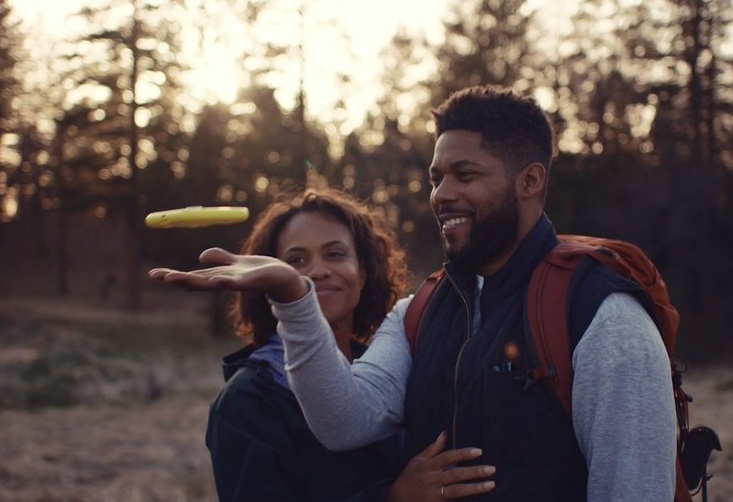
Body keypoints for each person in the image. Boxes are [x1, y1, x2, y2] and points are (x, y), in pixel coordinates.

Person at [154, 86, 676, 502]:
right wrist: (295, 298)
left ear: (530, 181)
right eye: (436, 178)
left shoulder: (601, 316)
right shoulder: (421, 312)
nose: (442, 194)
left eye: (465, 175)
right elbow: (345, 421)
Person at [150, 188, 495, 502]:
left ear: (363, 271)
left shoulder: (387, 368)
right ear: (263, 277)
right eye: (296, 260)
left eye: (335, 254)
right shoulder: (248, 400)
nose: (317, 271)